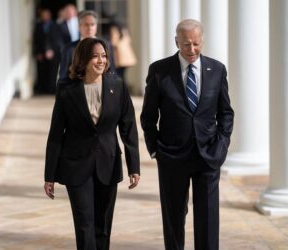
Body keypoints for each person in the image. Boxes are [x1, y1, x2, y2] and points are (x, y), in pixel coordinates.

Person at [140, 19, 234, 250]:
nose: (191, 50)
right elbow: (148, 116)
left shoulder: (217, 69)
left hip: (208, 156)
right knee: (173, 219)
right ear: (176, 42)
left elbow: (226, 113)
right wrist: (156, 150)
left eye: (195, 43)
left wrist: (221, 146)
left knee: (208, 220)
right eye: (185, 44)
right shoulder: (159, 70)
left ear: (202, 40)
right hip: (172, 157)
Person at [44, 37, 140, 250]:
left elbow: (128, 128)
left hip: (108, 162)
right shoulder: (67, 90)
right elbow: (56, 134)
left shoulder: (118, 87)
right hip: (76, 165)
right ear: (83, 59)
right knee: (84, 224)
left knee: (103, 225)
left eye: (104, 56)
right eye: (95, 56)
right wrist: (49, 175)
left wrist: (134, 167)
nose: (101, 60)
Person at [57, 10, 116, 86]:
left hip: (102, 90)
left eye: (92, 24)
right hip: (77, 92)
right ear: (79, 27)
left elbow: (112, 71)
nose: (89, 28)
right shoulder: (68, 49)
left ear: (96, 27)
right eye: (86, 25)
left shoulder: (106, 45)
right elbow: (63, 77)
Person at [32, 8, 60, 94]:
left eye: (46, 15)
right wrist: (37, 53)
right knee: (42, 72)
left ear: (49, 15)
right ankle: (43, 89)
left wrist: (52, 50)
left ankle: (51, 89)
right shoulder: (38, 25)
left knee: (52, 72)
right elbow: (36, 40)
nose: (45, 17)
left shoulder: (55, 25)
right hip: (41, 53)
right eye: (43, 15)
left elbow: (57, 40)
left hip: (53, 53)